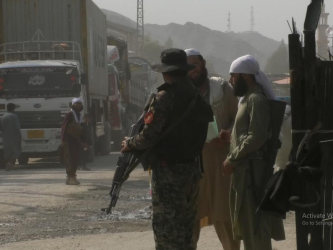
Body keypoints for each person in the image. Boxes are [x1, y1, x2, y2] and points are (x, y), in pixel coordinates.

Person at [121, 48, 213, 250]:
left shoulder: (164, 98)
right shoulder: (197, 97)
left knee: (167, 232)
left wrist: (130, 143)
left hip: (169, 173)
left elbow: (149, 136)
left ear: (166, 72)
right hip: (192, 172)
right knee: (186, 229)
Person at [222, 55, 285, 250]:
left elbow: (256, 137)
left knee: (255, 227)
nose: (231, 81)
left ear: (246, 76)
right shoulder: (247, 99)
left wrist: (232, 158)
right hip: (245, 173)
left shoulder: (256, 99)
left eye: (234, 76)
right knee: (248, 226)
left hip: (252, 175)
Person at [185, 49, 240, 250]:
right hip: (190, 164)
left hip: (220, 162)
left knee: (224, 214)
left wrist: (228, 132)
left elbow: (239, 120)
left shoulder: (223, 90)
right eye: (188, 67)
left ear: (203, 64)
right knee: (189, 216)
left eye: (195, 65)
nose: (192, 70)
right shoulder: (178, 93)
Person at [61, 98, 86, 185]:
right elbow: (64, 127)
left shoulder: (79, 115)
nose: (78, 105)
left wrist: (84, 141)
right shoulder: (70, 114)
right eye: (76, 104)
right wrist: (63, 139)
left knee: (75, 157)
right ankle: (72, 177)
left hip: (76, 139)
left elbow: (80, 129)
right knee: (72, 158)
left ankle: (69, 177)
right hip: (69, 139)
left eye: (79, 104)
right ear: (73, 105)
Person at [0, 103, 21, 171]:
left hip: (5, 137)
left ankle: (7, 167)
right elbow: (17, 127)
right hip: (13, 137)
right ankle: (10, 163)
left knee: (6, 152)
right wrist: (20, 136)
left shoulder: (2, 117)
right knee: (16, 152)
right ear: (13, 108)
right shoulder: (14, 116)